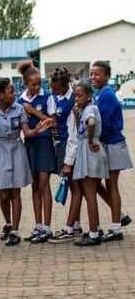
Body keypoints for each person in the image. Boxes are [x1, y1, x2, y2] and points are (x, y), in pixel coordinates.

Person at [0, 77, 52, 246]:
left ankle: (15, 230)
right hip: (0, 151)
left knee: (15, 192)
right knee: (3, 193)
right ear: (0, 95)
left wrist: (37, 129)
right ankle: (8, 222)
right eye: (10, 91)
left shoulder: (19, 109)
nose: (14, 94)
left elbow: (27, 132)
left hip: (16, 150)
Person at [16, 61, 58, 243]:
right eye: (33, 84)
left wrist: (34, 112)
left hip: (44, 143)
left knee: (44, 184)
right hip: (30, 144)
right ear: (26, 84)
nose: (37, 86)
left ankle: (47, 227)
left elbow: (53, 122)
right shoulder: (20, 100)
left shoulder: (46, 97)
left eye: (39, 83)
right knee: (34, 186)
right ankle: (38, 225)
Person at [62, 81, 109, 246]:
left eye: (80, 95)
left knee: (90, 196)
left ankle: (94, 234)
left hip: (90, 152)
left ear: (88, 96)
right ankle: (95, 229)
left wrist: (89, 140)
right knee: (91, 194)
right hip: (89, 151)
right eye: (75, 95)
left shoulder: (90, 109)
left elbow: (91, 123)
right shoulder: (87, 108)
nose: (76, 98)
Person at [91, 60, 133, 240]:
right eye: (92, 74)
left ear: (107, 76)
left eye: (97, 74)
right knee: (94, 183)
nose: (93, 77)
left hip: (112, 144)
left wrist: (93, 139)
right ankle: (121, 216)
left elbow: (104, 123)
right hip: (106, 144)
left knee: (111, 185)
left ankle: (116, 229)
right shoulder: (100, 93)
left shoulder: (107, 94)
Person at [49, 68, 82, 241]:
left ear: (64, 86)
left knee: (75, 187)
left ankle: (69, 229)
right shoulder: (55, 97)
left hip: (70, 146)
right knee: (71, 186)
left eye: (55, 89)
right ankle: (75, 224)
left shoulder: (72, 101)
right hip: (60, 145)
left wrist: (68, 161)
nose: (52, 91)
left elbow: (74, 134)